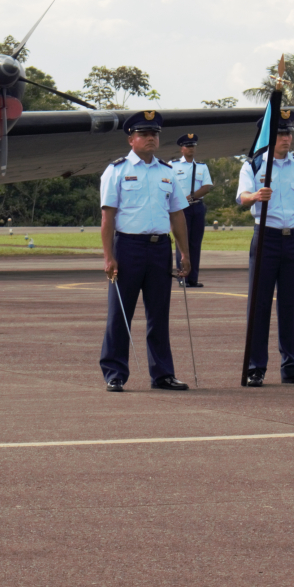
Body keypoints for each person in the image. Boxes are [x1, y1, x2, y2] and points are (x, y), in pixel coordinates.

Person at [99, 111, 192, 392]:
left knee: (159, 315)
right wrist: (108, 256)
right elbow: (108, 217)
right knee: (120, 314)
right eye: (144, 134)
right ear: (131, 139)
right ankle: (114, 373)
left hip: (159, 248)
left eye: (154, 134)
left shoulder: (167, 172)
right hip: (128, 247)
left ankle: (162, 374)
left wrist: (184, 253)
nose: (151, 138)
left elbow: (177, 215)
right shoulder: (116, 171)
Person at [237, 110, 294, 387]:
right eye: (281, 133)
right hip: (266, 238)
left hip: (292, 238)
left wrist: (291, 222)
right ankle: (255, 366)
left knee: (289, 304)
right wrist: (255, 195)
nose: (287, 138)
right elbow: (242, 198)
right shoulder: (254, 166)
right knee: (259, 305)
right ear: (268, 136)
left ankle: (291, 365)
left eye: (289, 133)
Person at [172, 133, 213, 287]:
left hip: (196, 206)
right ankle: (182, 277)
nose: (191, 148)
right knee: (182, 242)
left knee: (195, 243)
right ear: (181, 149)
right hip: (181, 209)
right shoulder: (173, 165)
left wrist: (190, 197)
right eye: (187, 146)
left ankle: (193, 278)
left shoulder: (202, 166)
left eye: (193, 146)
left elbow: (207, 186)